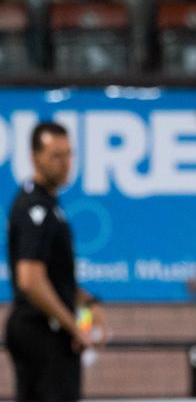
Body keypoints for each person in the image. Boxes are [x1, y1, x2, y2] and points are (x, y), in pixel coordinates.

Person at [5, 122, 107, 402]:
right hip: (40, 334)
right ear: (34, 157)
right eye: (56, 156)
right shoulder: (33, 207)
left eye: (69, 154)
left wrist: (87, 303)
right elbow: (30, 279)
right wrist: (74, 328)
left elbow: (55, 279)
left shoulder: (51, 207)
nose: (65, 164)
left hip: (51, 335)